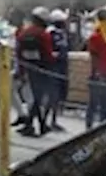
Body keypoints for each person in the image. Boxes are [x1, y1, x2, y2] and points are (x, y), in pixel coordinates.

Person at [15, 7, 55, 137]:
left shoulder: (24, 33)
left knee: (36, 98)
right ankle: (31, 125)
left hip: (28, 68)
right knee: (38, 98)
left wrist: (21, 71)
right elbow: (48, 54)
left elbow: (19, 53)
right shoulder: (44, 34)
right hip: (42, 68)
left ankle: (39, 125)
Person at [85, 8, 106, 129]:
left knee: (105, 104)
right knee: (94, 103)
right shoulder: (96, 36)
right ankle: (89, 127)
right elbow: (94, 57)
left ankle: (103, 127)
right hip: (99, 75)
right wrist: (96, 73)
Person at [45, 9, 71, 132]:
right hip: (54, 67)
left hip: (63, 67)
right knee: (52, 95)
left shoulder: (63, 34)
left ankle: (53, 121)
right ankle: (45, 120)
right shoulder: (51, 34)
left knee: (59, 95)